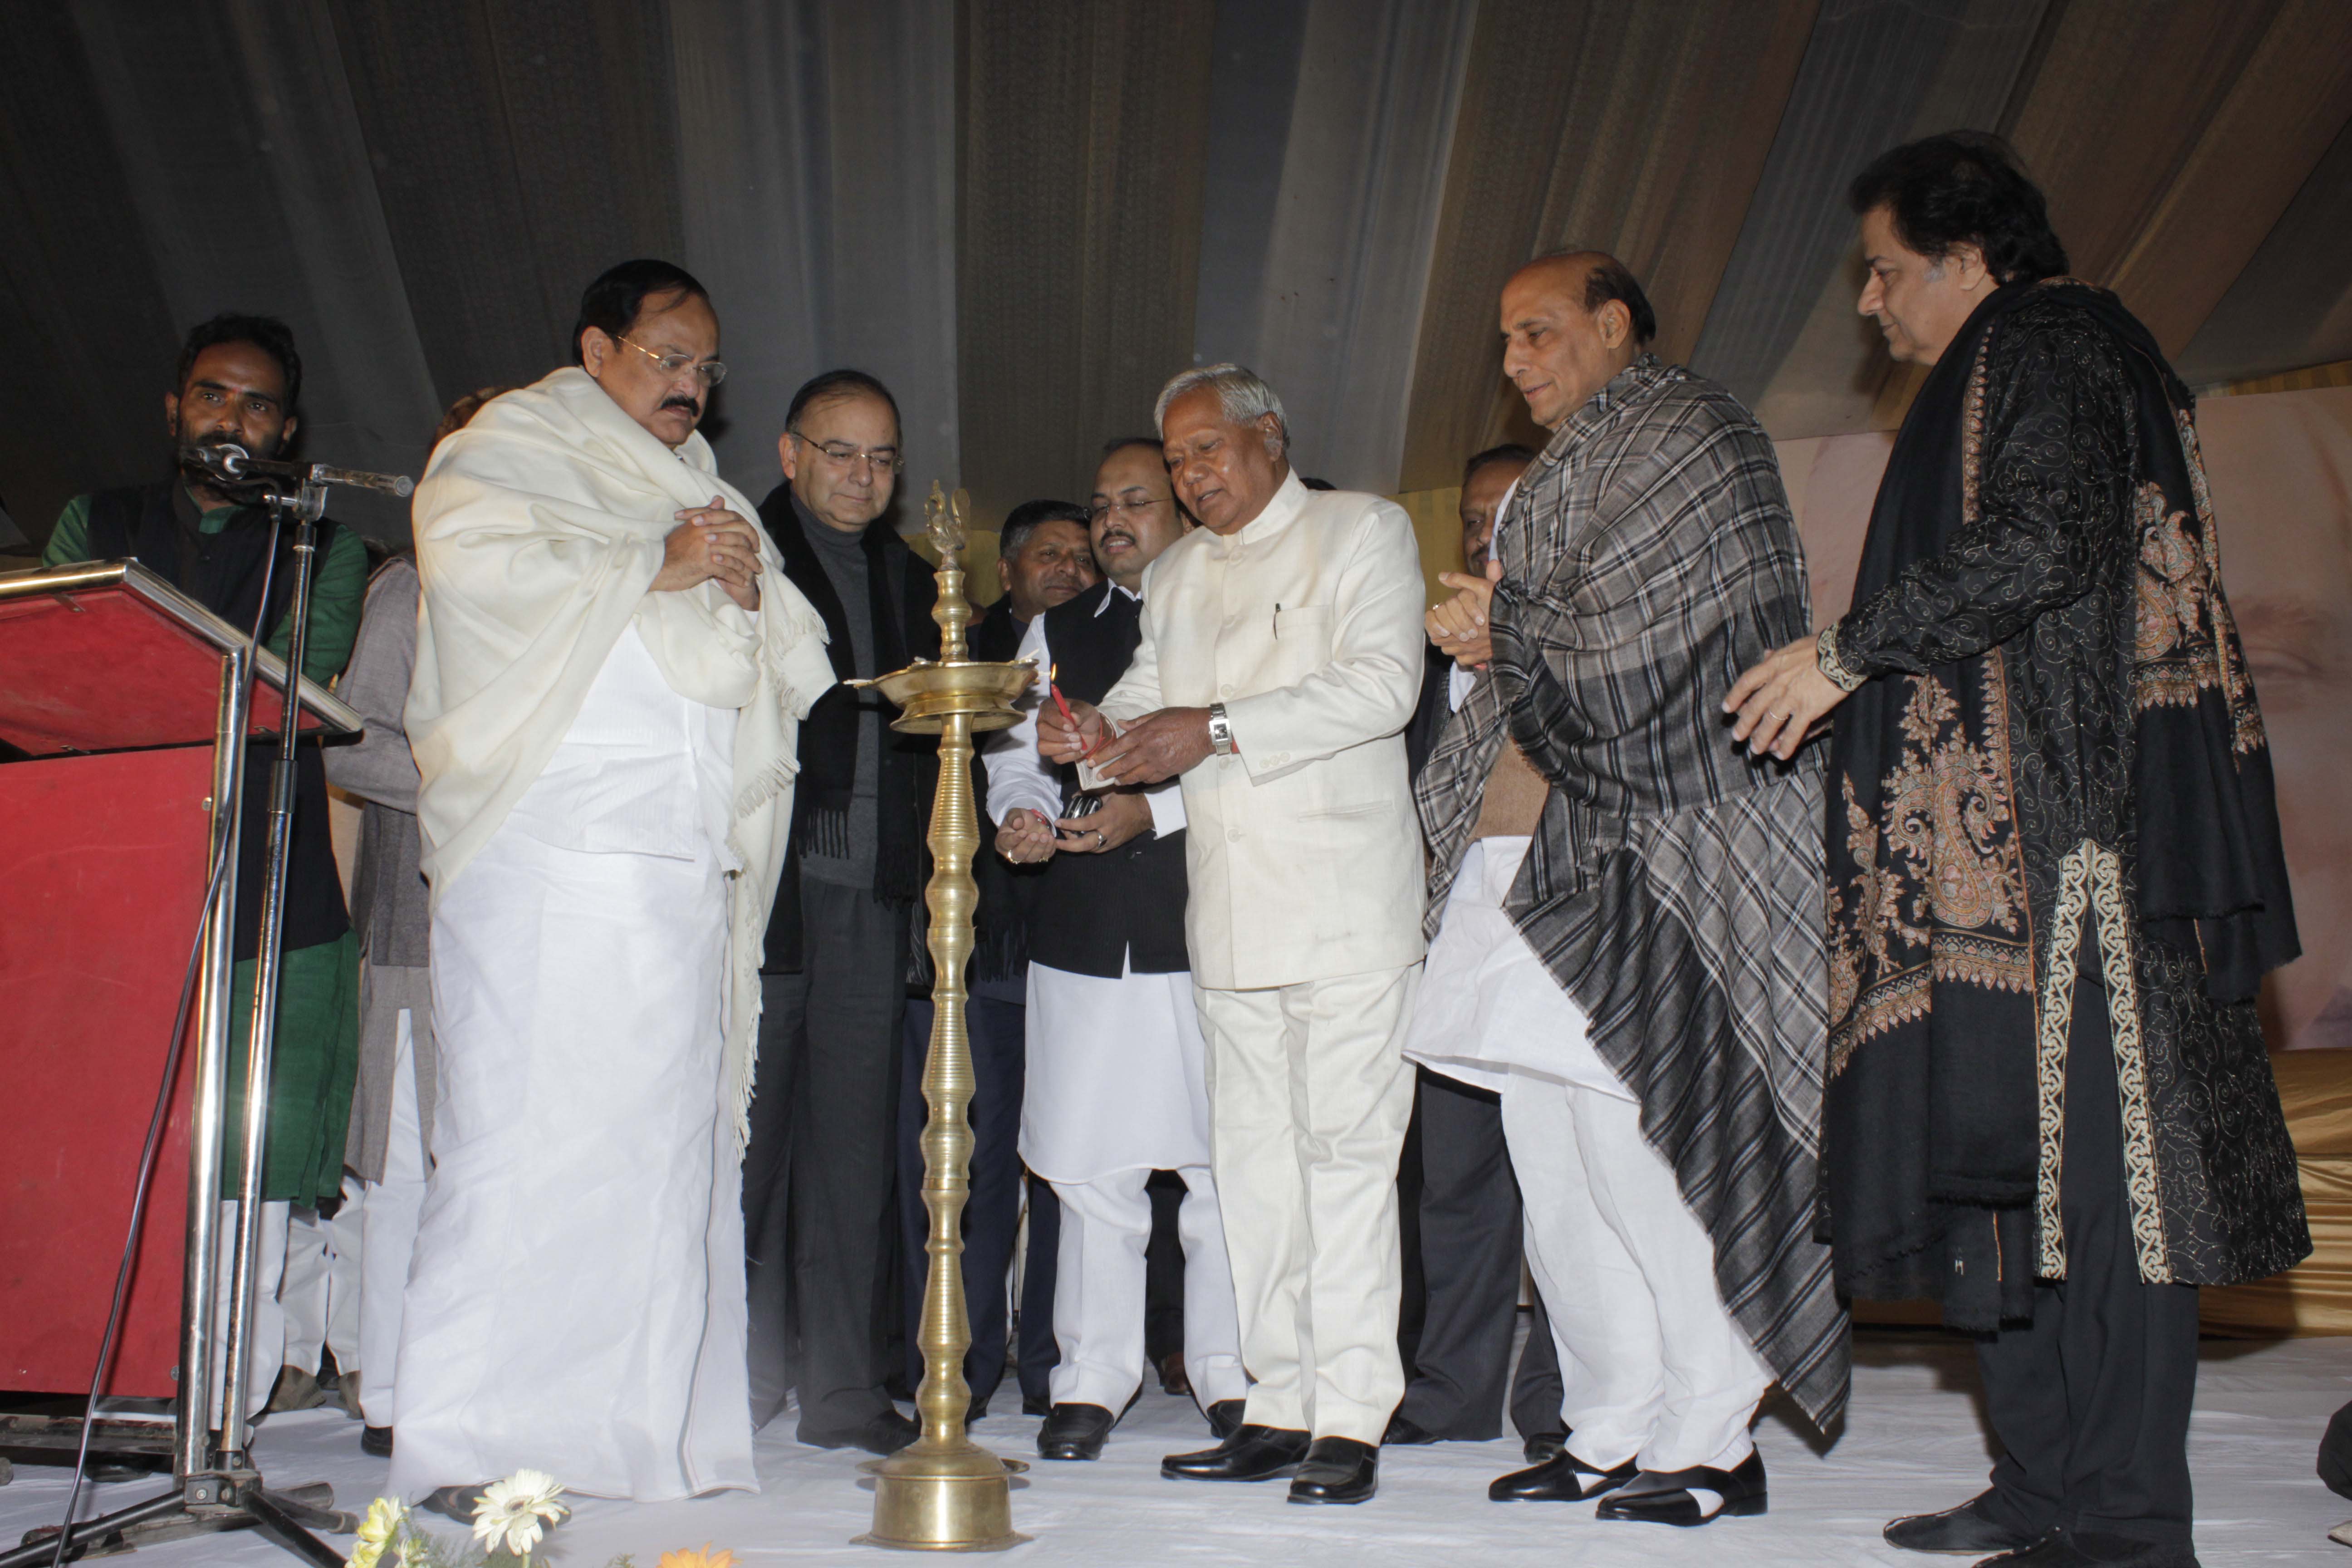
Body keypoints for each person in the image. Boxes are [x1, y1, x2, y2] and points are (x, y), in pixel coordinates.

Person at [1730, 133, 2307, 1568]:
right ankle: (2040, 1486)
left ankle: (2123, 1519)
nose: (1869, 306)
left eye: (1884, 271)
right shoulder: (1994, 365)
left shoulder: (2053, 338)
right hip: (1997, 871)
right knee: (2008, 1181)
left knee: (2106, 1193)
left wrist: (1843, 653)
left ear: (1968, 255)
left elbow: (2049, 538)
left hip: (2076, 845)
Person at [1415, 253, 1845, 1524]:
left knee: (1647, 1156)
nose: (1516, 361)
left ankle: (1713, 1439)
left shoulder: (1691, 434)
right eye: (1505, 340)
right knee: (1554, 1163)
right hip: (1528, 858)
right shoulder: (1572, 462)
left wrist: (1510, 635)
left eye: (1539, 332)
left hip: (1652, 858)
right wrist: (1499, 640)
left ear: (1614, 326)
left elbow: (1675, 644)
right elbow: (1563, 638)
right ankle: (1608, 1424)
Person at [395, 259, 833, 1505]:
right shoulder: (515, 441)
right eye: (669, 361)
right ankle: (470, 1441)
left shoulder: (692, 485)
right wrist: (659, 560)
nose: (693, 389)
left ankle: (627, 1434)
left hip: (673, 857)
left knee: (656, 1147)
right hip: (553, 846)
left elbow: (766, 653)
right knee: (524, 1140)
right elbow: (478, 570)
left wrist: (742, 592)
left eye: (707, 370)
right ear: (597, 351)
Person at [1042, 367, 1426, 1506]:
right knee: (1254, 1171)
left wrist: (1208, 727)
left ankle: (1352, 1416)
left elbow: (1382, 688)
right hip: (1229, 915)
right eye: (1177, 460)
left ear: (1271, 436)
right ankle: (1279, 1402)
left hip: (1350, 907)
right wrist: (1092, 735)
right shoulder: (1179, 573)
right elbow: (1150, 699)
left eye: (1208, 449)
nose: (1191, 474)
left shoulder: (1364, 530)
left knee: (1345, 1164)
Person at [43, 312, 368, 1420]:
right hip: (118, 877)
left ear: (290, 426)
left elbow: (299, 682)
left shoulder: (327, 544)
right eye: (216, 397)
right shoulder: (101, 519)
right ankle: (111, 1391)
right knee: (111, 1145)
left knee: (250, 1158)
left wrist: (139, 670)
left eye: (260, 404)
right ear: (175, 407)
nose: (235, 418)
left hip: (273, 889)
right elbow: (55, 672)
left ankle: (219, 1413)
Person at [990, 439, 1248, 1463]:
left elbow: (1260, 745)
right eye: (1101, 505)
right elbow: (1015, 752)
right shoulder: (1057, 628)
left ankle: (1232, 1374)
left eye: (1135, 502)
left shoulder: (1231, 609)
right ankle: (1094, 1376)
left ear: (1183, 510)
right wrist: (1021, 818)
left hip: (1210, 927)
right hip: (1084, 932)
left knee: (1222, 1166)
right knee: (1091, 1167)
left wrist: (1159, 812)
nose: (1110, 522)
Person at [745, 368, 937, 1455]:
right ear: (790, 454)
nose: (862, 477)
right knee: (748, 1145)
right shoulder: (740, 550)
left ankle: (843, 1395)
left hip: (875, 889)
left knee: (857, 1148)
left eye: (882, 457)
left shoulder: (916, 580)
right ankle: (730, 1377)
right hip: (764, 886)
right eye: (840, 453)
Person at [318, 388, 507, 1459]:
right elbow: (347, 741)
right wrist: (473, 787)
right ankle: (389, 1392)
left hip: (510, 932)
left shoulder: (534, 588)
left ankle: (466, 1374)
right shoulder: (410, 586)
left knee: (480, 1167)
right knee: (400, 1175)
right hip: (414, 932)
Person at [894, 498, 1095, 1420]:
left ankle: (1057, 1367)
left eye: (1082, 557)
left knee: (1065, 1161)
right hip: (981, 944)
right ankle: (961, 1367)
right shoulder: (958, 662)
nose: (1068, 570)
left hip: (1080, 942)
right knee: (968, 1159)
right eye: (1048, 554)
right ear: (1005, 573)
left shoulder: (1106, 648)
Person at [1388, 441, 1565, 1459]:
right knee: (1454, 1184)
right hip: (1451, 944)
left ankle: (1561, 1401)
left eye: (1513, 513)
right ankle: (1452, 1393)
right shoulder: (1416, 663)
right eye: (1472, 517)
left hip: (1557, 949)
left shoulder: (1584, 646)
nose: (1487, 535)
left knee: (1561, 1182)